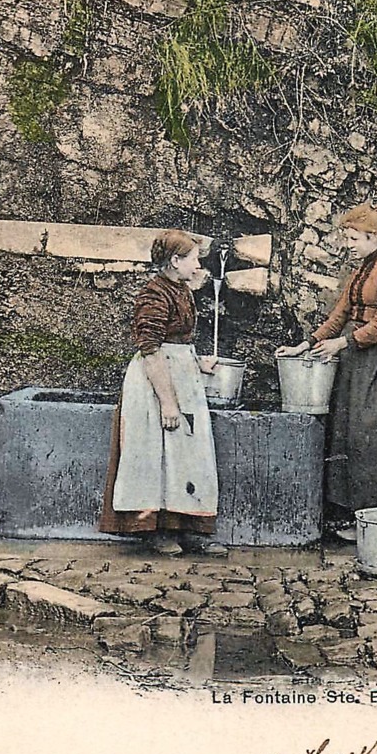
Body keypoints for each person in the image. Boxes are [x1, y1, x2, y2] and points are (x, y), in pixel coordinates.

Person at [276, 203, 377, 535]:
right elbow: (340, 313)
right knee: (347, 435)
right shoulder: (363, 268)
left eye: (352, 238)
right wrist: (307, 344)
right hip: (352, 361)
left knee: (374, 437)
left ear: (373, 237)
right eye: (345, 237)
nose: (347, 244)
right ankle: (353, 516)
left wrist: (343, 344)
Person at [99, 229, 228, 557]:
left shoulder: (181, 289)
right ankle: (152, 532)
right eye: (194, 258)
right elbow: (152, 351)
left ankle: (186, 528)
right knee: (154, 455)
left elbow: (177, 342)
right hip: (154, 385)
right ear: (175, 261)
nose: (198, 265)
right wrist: (167, 403)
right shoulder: (153, 295)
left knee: (185, 457)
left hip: (182, 377)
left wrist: (199, 363)